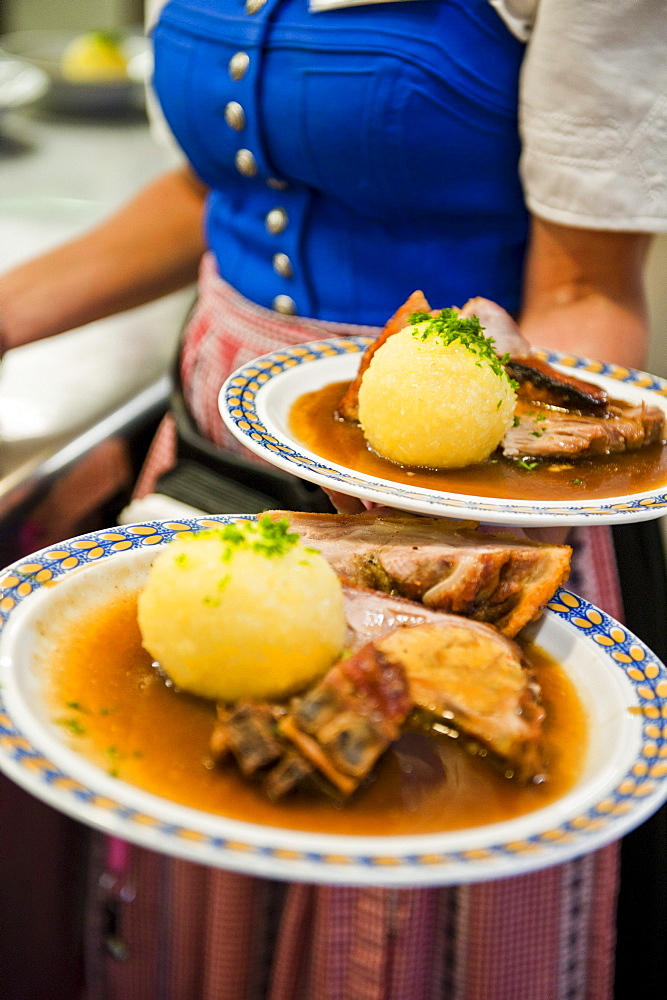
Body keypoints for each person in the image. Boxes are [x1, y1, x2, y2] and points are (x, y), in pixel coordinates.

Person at [0, 1, 665, 998]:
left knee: (386, 863)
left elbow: (587, 288)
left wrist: (455, 512)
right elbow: (209, 186)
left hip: (462, 500)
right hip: (213, 439)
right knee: (195, 796)